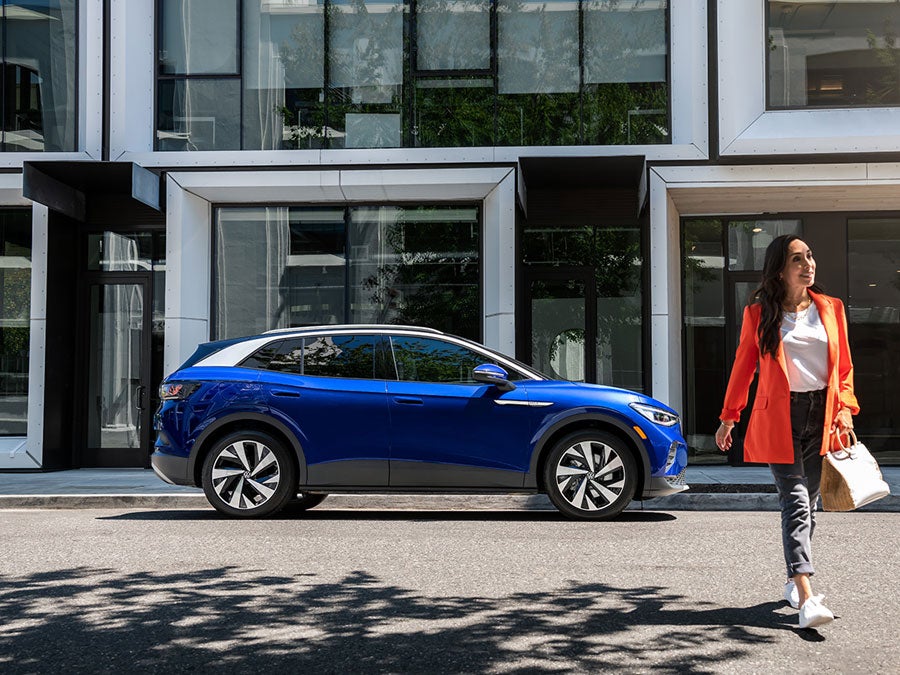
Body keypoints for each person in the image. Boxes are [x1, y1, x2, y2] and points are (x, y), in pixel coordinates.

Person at [715, 234, 858, 630]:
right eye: (798, 259)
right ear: (781, 269)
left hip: (823, 414)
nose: (808, 264)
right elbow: (743, 367)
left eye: (810, 256)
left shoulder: (831, 308)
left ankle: (794, 578)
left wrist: (845, 410)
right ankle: (807, 596)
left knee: (810, 504)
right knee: (795, 501)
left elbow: (843, 369)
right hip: (780, 417)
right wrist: (730, 417)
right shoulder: (759, 314)